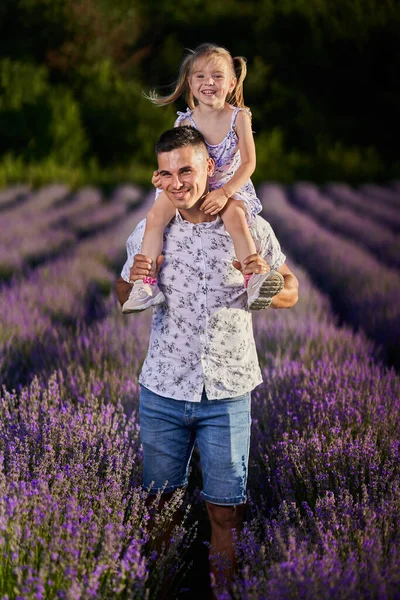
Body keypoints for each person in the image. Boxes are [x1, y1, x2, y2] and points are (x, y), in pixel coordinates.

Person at [115, 125, 298, 594]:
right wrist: (134, 283)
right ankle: (164, 588)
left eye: (187, 171)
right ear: (158, 177)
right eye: (167, 174)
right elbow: (122, 292)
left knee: (226, 510)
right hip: (163, 388)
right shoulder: (149, 230)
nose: (178, 183)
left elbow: (291, 289)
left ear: (210, 168)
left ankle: (223, 592)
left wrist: (261, 288)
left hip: (228, 388)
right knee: (159, 506)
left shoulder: (249, 226)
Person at [122, 42, 283, 314]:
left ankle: (253, 277)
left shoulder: (239, 117)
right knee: (154, 216)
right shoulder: (184, 121)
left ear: (231, 84)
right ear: (190, 83)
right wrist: (163, 178)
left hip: (228, 185)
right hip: (191, 187)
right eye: (200, 76)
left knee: (235, 216)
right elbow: (177, 161)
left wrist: (225, 192)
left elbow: (249, 162)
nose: (209, 82)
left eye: (217, 76)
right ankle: (146, 285)